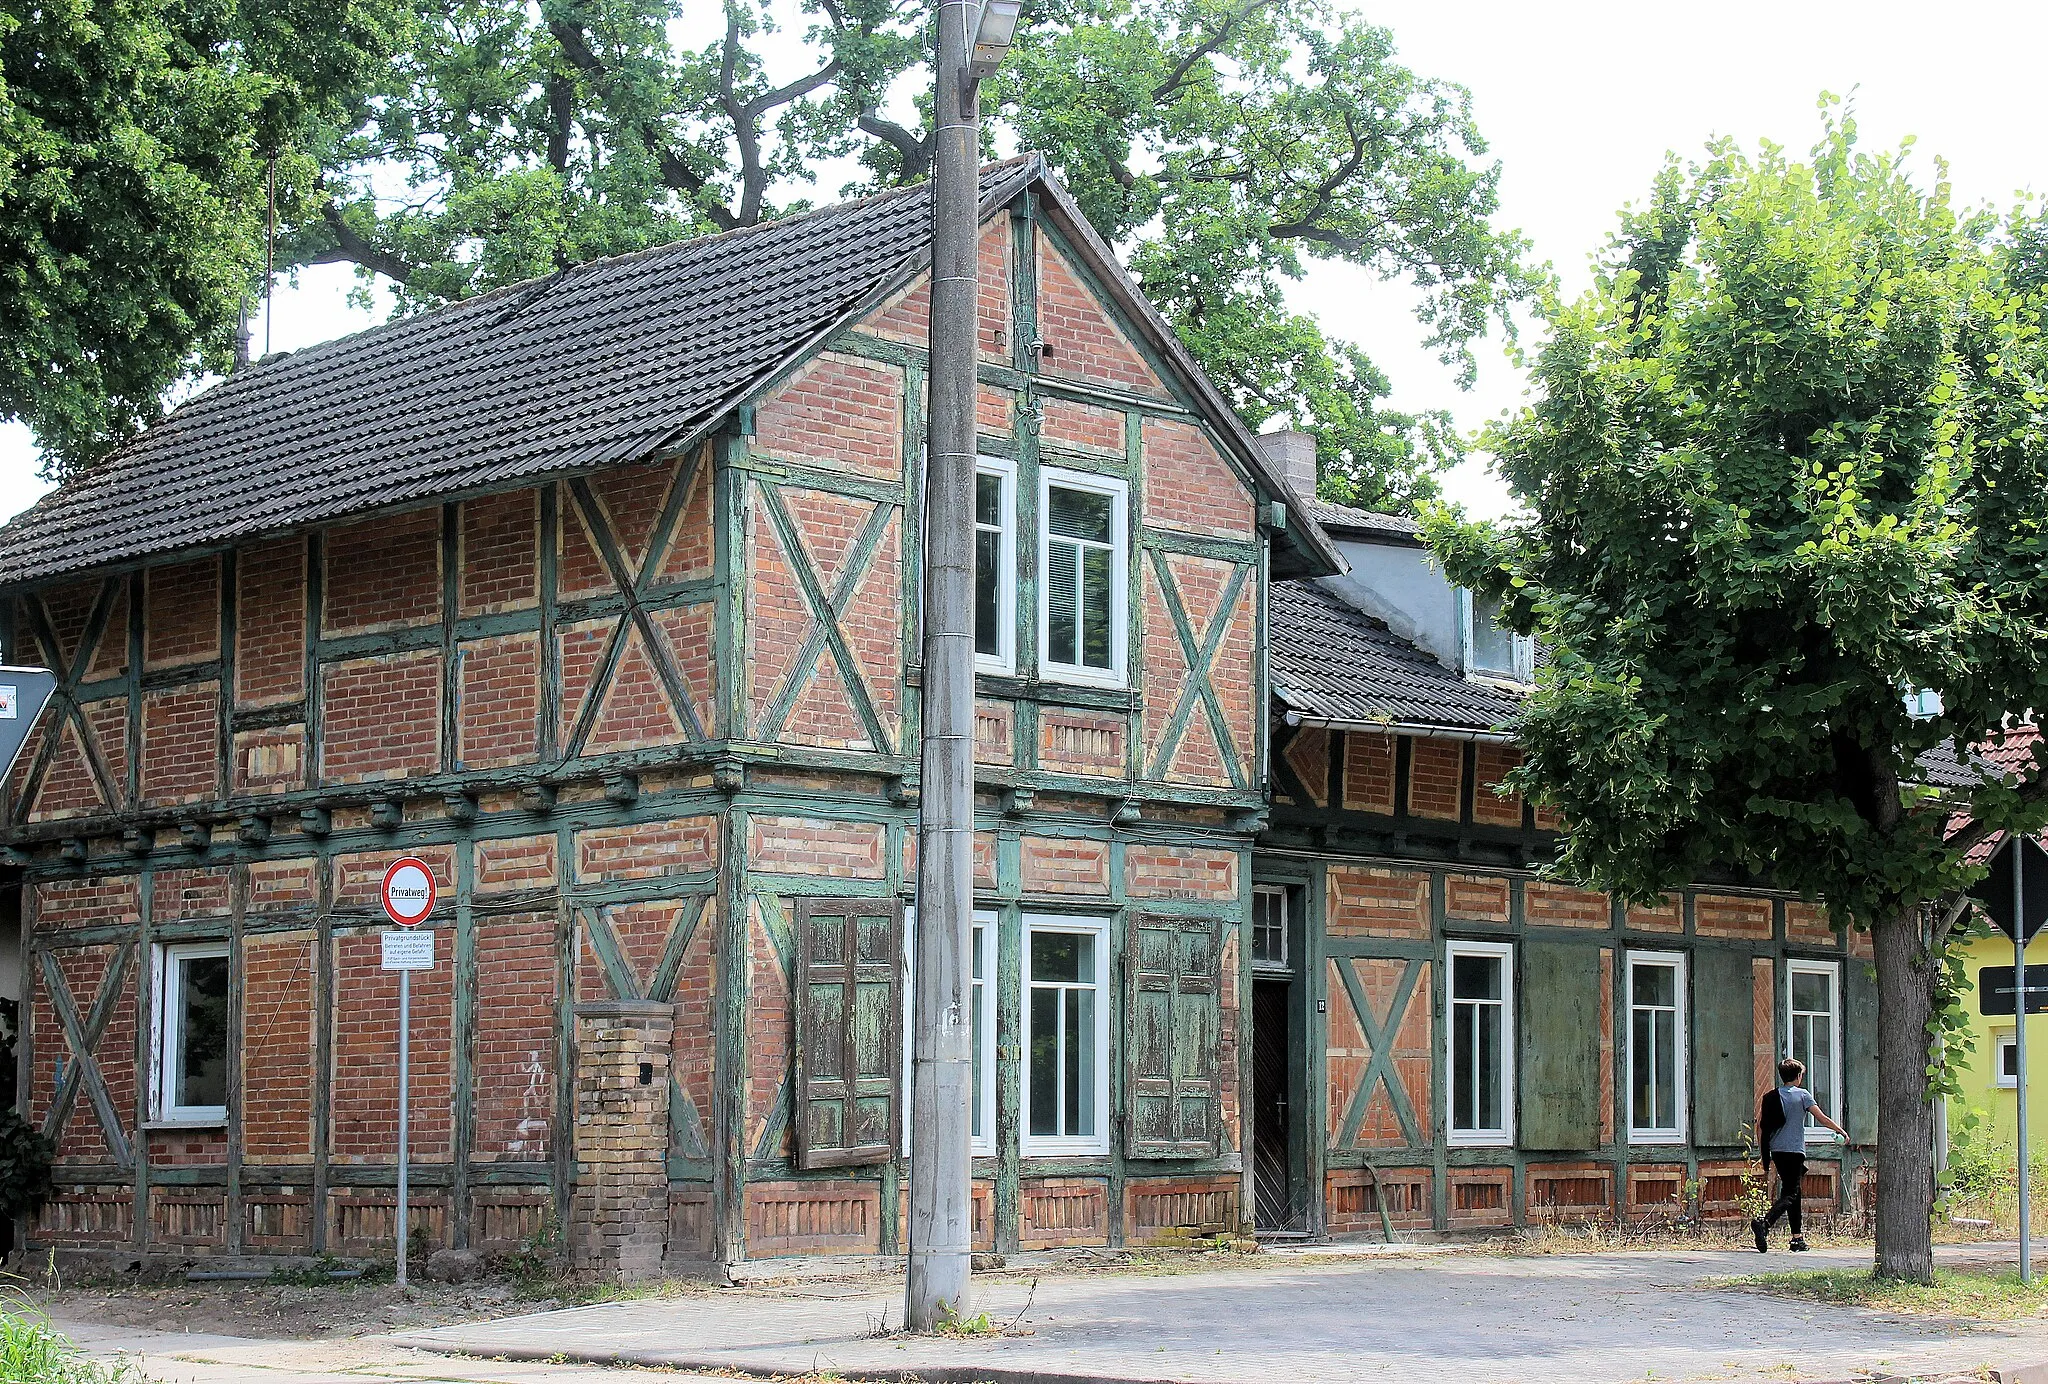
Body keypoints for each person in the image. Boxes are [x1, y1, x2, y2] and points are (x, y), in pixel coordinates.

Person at [1752, 1056, 1847, 1252]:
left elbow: (1760, 1127)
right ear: (1798, 1076)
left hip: (1777, 1150)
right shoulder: (1803, 1095)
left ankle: (1797, 1238)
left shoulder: (1771, 1096)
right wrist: (1840, 1131)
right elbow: (1821, 1117)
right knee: (1791, 1192)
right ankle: (1765, 1223)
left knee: (1794, 1192)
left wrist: (1764, 1152)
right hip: (1795, 1151)